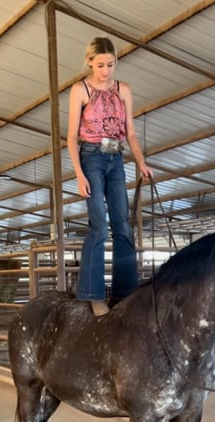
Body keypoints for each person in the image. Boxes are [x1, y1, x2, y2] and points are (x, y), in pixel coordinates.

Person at [67, 36, 153, 316]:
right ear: (90, 61)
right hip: (90, 156)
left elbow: (130, 132)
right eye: (101, 65)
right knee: (99, 227)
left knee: (123, 226)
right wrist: (79, 174)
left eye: (111, 64)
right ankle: (93, 295)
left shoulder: (123, 90)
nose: (106, 70)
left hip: (116, 158)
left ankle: (125, 292)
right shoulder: (80, 90)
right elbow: (70, 137)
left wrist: (141, 161)